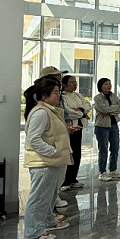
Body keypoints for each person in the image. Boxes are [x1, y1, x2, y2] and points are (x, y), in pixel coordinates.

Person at [22, 76, 72, 239]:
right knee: (39, 197)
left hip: (51, 161)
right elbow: (33, 138)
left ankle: (48, 221)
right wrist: (52, 151)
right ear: (44, 95)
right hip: (43, 162)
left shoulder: (49, 110)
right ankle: (32, 232)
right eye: (55, 93)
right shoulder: (41, 113)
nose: (58, 96)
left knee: (49, 196)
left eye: (59, 92)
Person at [40, 66, 76, 207]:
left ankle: (54, 198)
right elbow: (34, 137)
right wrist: (52, 151)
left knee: (61, 171)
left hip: (60, 138)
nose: (60, 78)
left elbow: (62, 111)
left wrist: (67, 123)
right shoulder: (40, 105)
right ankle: (49, 203)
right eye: (56, 76)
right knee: (49, 176)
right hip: (50, 143)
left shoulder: (57, 94)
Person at [60, 74, 91, 191]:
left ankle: (73, 178)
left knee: (77, 153)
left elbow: (88, 105)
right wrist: (82, 113)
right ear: (64, 84)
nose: (75, 84)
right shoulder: (62, 97)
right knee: (69, 152)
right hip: (69, 127)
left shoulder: (78, 95)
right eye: (72, 82)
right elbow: (68, 112)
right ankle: (65, 181)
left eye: (75, 82)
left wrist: (81, 110)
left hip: (79, 126)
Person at [93, 78, 120, 181]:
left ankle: (113, 170)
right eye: (106, 84)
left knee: (115, 148)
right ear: (101, 86)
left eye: (109, 84)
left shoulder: (113, 96)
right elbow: (103, 109)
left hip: (114, 125)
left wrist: (109, 112)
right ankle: (102, 172)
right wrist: (113, 108)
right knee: (103, 149)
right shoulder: (97, 98)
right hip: (102, 126)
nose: (109, 85)